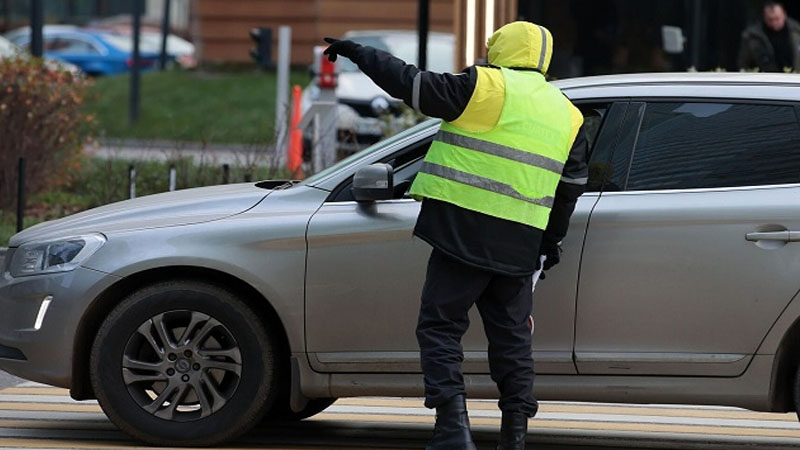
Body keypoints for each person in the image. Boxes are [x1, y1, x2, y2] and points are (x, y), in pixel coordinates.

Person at [324, 21, 587, 450]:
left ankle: (452, 429)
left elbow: (410, 84)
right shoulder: (567, 113)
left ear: (501, 49)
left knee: (441, 328)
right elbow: (569, 190)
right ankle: (515, 436)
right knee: (513, 341)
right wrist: (546, 245)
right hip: (520, 243)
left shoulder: (483, 86)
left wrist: (359, 52)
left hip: (464, 230)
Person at [738, 1, 800, 72]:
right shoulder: (752, 37)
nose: (774, 23)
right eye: (770, 20)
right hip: (766, 79)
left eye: (777, 18)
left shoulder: (797, 31)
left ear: (784, 15)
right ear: (764, 17)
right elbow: (743, 63)